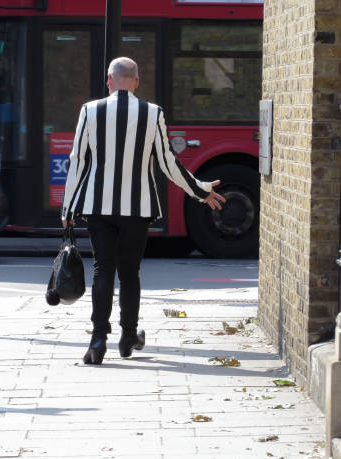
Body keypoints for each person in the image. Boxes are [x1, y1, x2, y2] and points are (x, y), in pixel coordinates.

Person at [61, 57, 226, 365]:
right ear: (136, 82)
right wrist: (200, 190)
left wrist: (68, 206)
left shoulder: (89, 110)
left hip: (97, 206)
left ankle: (98, 340)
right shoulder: (153, 113)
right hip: (138, 208)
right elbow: (168, 163)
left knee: (102, 269)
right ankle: (128, 335)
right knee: (130, 272)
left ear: (109, 80)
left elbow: (77, 161)